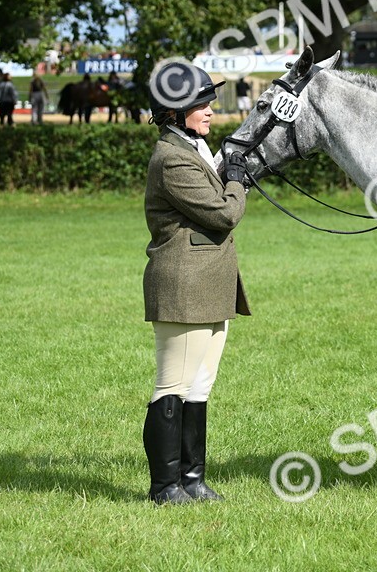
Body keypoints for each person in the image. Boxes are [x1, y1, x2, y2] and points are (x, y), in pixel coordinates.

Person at [142, 61, 251, 504]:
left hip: (209, 281)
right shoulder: (171, 159)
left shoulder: (195, 149)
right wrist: (237, 182)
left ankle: (192, 480)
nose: (209, 108)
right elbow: (224, 213)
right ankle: (164, 486)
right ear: (173, 113)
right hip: (183, 284)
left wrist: (228, 174)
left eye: (209, 100)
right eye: (199, 103)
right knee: (171, 386)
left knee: (199, 387)